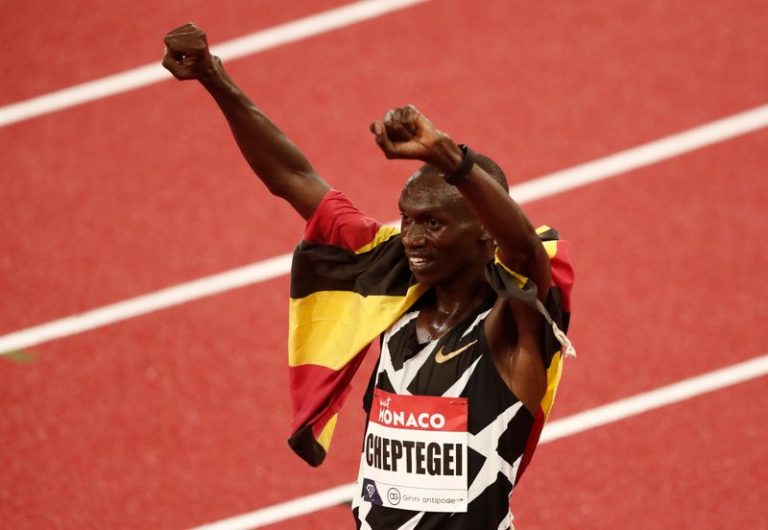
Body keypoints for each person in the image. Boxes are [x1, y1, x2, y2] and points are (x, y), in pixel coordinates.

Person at [162, 23, 574, 530]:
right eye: (407, 218)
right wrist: (213, 77)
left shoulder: (510, 330)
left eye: (433, 223)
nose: (412, 237)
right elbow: (293, 178)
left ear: (484, 234)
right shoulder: (395, 293)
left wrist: (446, 156)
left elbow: (527, 252)